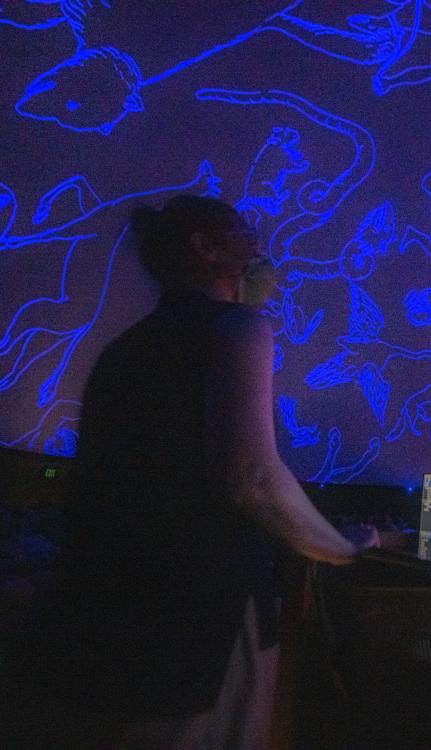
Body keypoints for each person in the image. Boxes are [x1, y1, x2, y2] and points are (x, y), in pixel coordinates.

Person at [0, 195, 378, 749]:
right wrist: (341, 548)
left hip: (103, 633)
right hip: (196, 634)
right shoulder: (238, 327)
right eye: (244, 231)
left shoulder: (120, 351)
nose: (259, 245)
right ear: (204, 248)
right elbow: (251, 478)